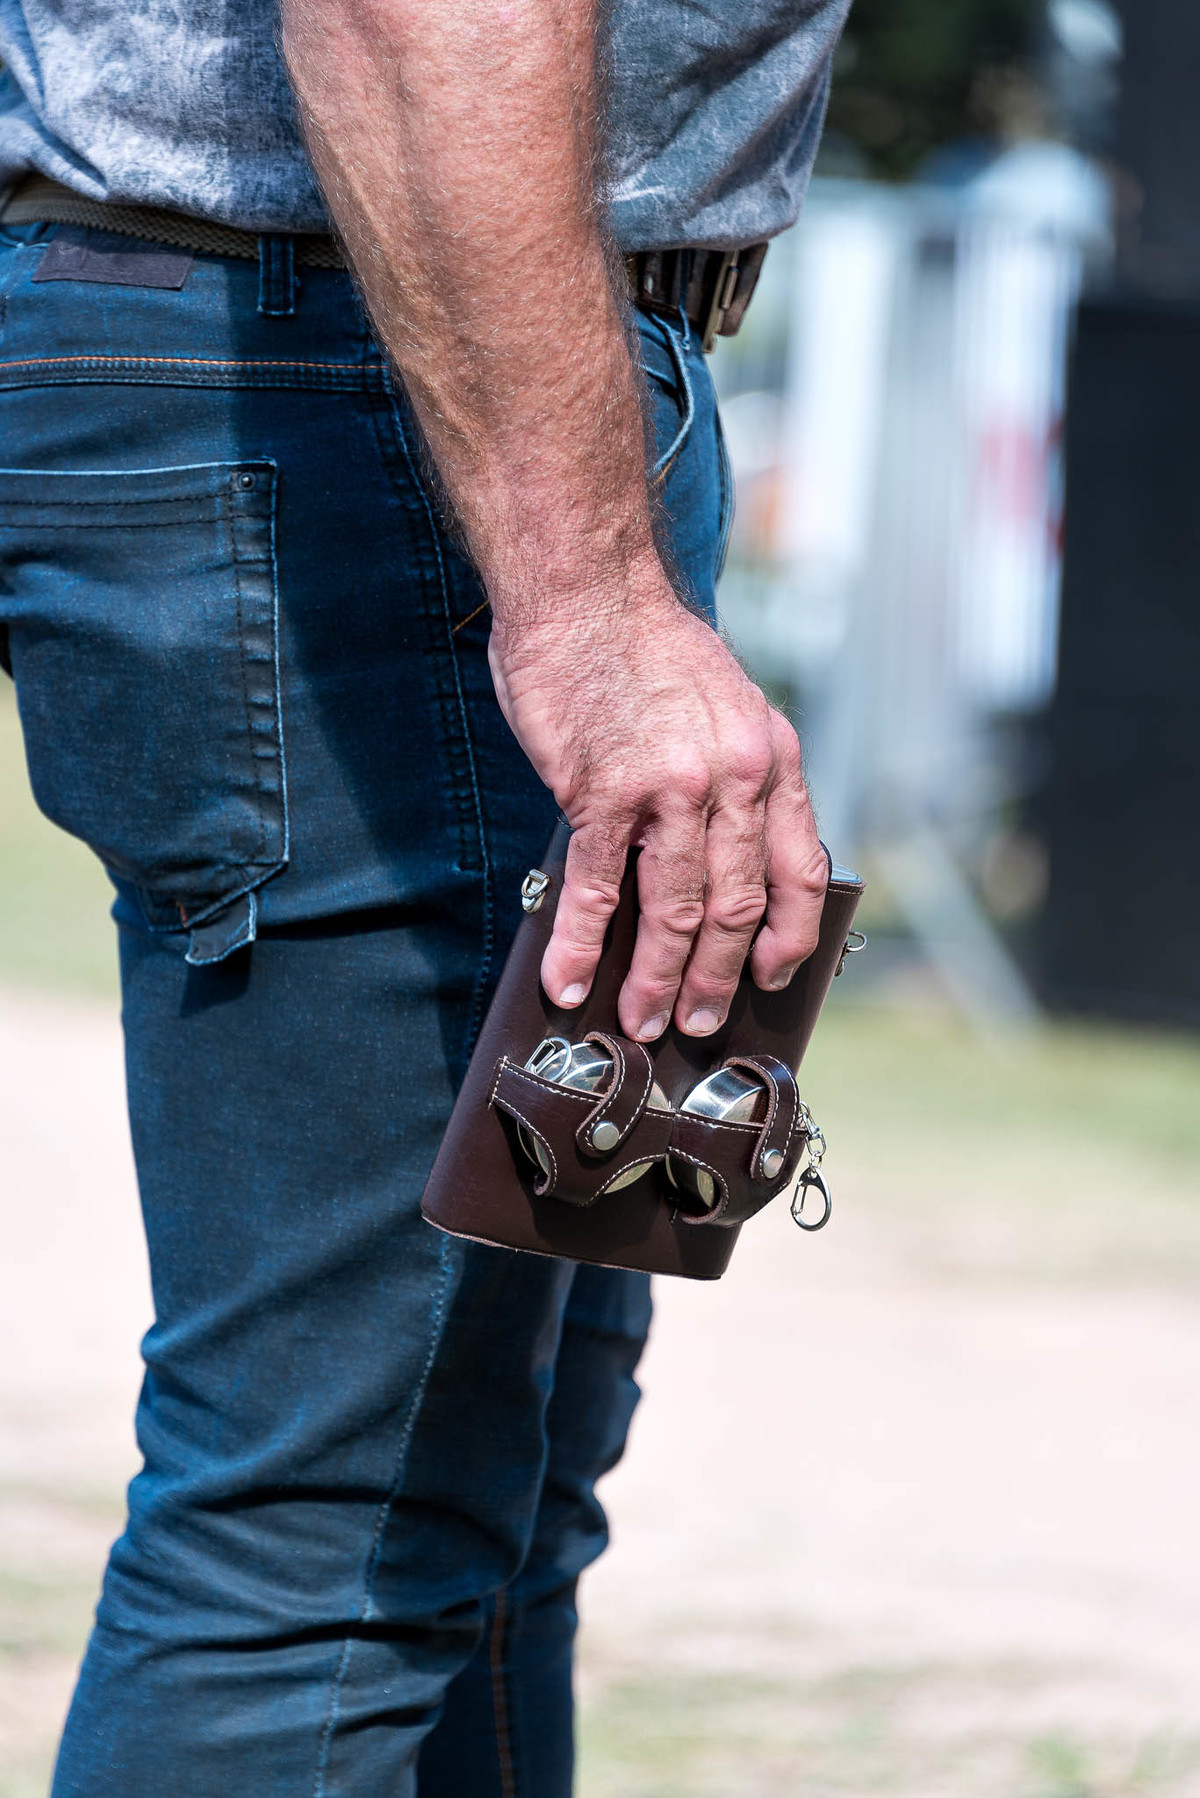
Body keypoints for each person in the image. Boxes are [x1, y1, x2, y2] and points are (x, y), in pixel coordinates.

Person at [0, 0, 848, 1790]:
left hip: (447, 376)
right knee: (338, 1531)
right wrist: (592, 604)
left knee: (494, 1482)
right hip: (372, 382)